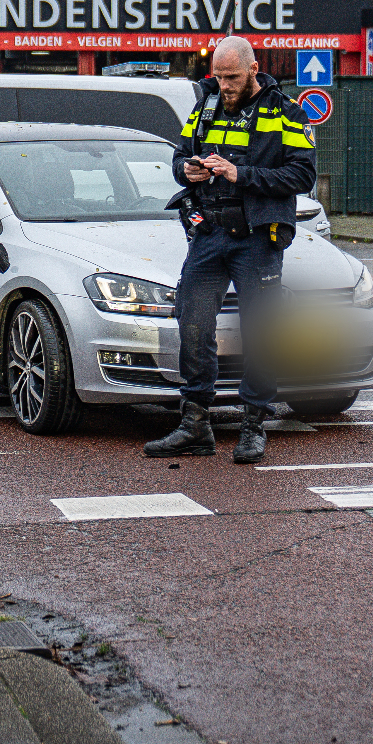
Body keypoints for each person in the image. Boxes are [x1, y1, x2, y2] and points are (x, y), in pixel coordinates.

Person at [144, 36, 317, 464]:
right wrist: (185, 169)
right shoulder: (204, 107)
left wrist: (241, 174)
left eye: (233, 77)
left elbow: (302, 174)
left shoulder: (286, 112)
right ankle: (195, 424)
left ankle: (254, 425)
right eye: (219, 77)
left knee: (261, 332)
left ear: (253, 70)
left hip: (256, 238)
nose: (225, 85)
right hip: (208, 233)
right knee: (193, 325)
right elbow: (181, 155)